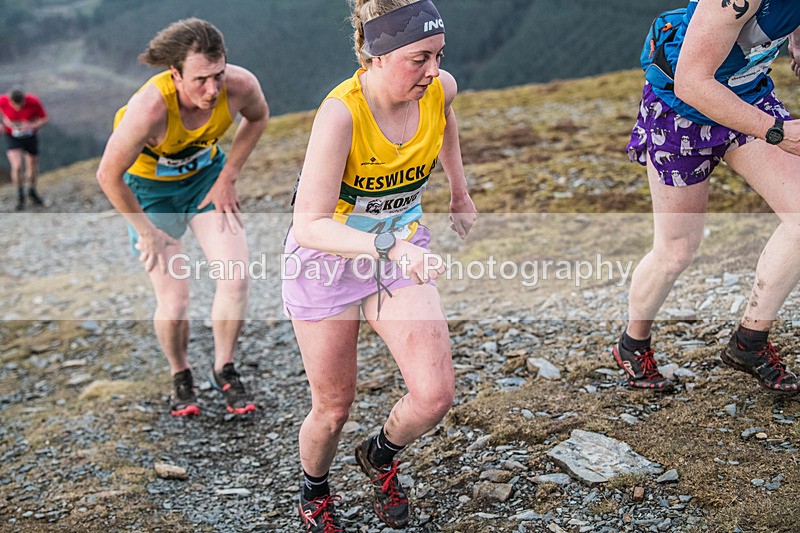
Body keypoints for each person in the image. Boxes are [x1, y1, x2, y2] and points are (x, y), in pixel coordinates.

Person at [285, 0, 476, 529]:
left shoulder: (440, 87)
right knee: (333, 408)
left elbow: (447, 121)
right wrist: (392, 247)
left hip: (400, 252)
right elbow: (309, 225)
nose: (434, 71)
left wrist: (459, 192)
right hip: (329, 260)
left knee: (434, 396)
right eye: (419, 58)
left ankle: (380, 455)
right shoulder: (341, 114)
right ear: (376, 55)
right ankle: (314, 491)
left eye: (438, 55)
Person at [615, 0, 800, 394]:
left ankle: (749, 342)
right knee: (676, 251)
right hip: (679, 111)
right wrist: (777, 132)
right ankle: (633, 342)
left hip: (745, 98)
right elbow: (692, 82)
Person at [96, 18, 269, 416]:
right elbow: (107, 174)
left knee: (236, 277)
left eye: (218, 75)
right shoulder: (150, 108)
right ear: (175, 74)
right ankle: (180, 374)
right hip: (152, 195)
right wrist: (146, 232)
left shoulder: (240, 85)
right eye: (200, 80)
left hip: (207, 180)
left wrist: (228, 176)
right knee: (174, 302)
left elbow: (258, 117)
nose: (212, 89)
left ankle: (224, 368)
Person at [0, 87, 48, 210]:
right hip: (12, 136)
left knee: (32, 166)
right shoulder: (3, 101)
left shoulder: (33, 101)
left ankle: (32, 190)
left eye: (20, 106)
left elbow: (44, 119)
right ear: (10, 102)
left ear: (24, 101)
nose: (18, 108)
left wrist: (31, 125)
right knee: (16, 166)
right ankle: (20, 194)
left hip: (30, 136)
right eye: (15, 106)